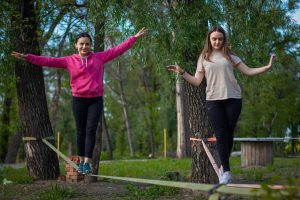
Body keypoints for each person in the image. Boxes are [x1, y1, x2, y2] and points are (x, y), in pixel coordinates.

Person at [11, 27, 147, 174]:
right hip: (78, 101)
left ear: (91, 45)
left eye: (87, 44)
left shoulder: (99, 57)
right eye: (81, 44)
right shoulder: (69, 61)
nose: (84, 46)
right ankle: (81, 161)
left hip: (95, 100)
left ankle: (87, 163)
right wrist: (28, 57)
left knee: (90, 131)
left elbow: (118, 49)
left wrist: (133, 38)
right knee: (80, 132)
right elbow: (48, 60)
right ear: (76, 45)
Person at [167, 25, 276, 184]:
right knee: (220, 134)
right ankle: (226, 171)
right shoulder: (204, 57)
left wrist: (268, 66)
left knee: (229, 133)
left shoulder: (230, 56)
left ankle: (224, 164)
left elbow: (249, 71)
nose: (217, 41)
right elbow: (197, 82)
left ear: (223, 40)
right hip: (213, 101)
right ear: (209, 40)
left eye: (220, 39)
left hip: (233, 99)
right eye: (214, 39)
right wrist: (182, 72)